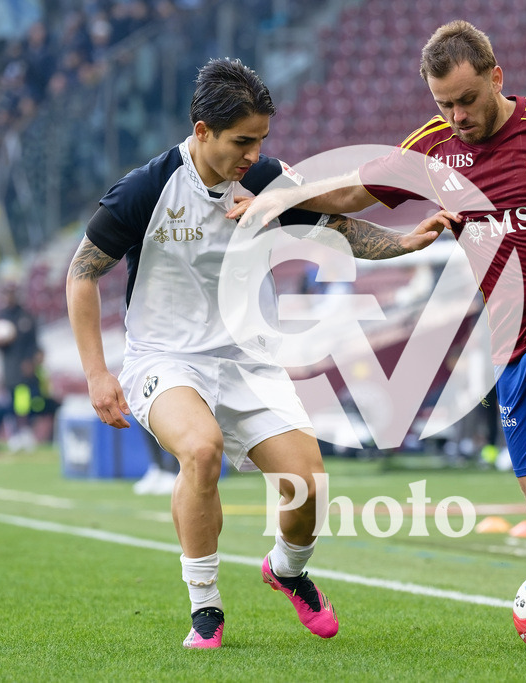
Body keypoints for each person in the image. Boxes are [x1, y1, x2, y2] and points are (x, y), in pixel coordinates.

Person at [233, 20, 526, 648]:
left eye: (467, 99)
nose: (457, 115)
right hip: (513, 337)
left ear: (496, 77)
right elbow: (355, 189)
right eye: (444, 104)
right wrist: (273, 204)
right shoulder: (433, 148)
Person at [66, 57, 451, 649]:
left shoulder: (267, 178)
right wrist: (96, 372)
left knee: (309, 487)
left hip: (250, 361)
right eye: (242, 141)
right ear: (202, 132)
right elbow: (82, 273)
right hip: (165, 359)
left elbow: (337, 227)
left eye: (262, 139)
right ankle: (205, 607)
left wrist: (404, 242)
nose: (253, 152)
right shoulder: (147, 188)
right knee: (201, 449)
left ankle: (287, 571)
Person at [0, 283, 57, 449]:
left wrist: (31, 360)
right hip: (10, 371)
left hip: (27, 372)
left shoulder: (26, 317)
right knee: (13, 404)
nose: (9, 298)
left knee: (29, 403)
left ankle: (26, 433)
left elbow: (34, 343)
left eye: (11, 294)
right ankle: (15, 435)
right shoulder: (1, 317)